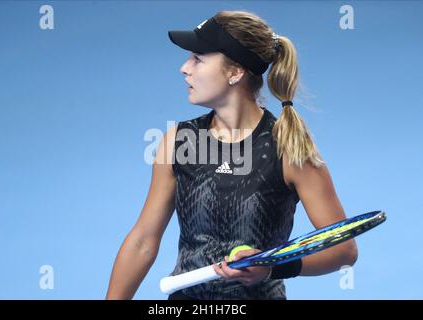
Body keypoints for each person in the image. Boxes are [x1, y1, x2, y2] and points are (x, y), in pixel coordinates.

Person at [106, 10, 358, 300]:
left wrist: (272, 266)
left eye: (197, 59)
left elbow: (344, 250)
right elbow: (143, 241)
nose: (184, 68)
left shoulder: (290, 149)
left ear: (235, 72)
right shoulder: (178, 141)